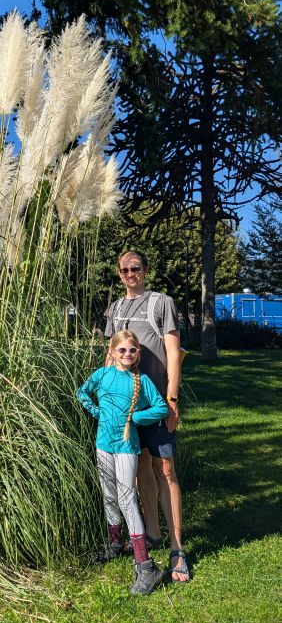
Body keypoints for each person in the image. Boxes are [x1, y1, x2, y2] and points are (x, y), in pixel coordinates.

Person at [104, 250, 190, 583]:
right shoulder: (115, 309)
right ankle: (152, 535)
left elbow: (173, 354)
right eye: (125, 270)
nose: (130, 274)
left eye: (136, 268)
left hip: (157, 404)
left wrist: (172, 398)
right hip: (127, 409)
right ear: (119, 273)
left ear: (146, 270)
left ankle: (177, 549)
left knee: (165, 468)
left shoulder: (161, 303)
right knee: (141, 468)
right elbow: (110, 356)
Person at [76, 330, 169, 595]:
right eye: (122, 350)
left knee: (127, 499)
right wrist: (95, 411)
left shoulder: (141, 380)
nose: (127, 354)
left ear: (138, 353)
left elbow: (161, 407)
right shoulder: (102, 375)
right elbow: (82, 392)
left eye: (132, 350)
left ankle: (146, 566)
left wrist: (137, 418)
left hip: (127, 446)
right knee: (109, 495)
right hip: (103, 444)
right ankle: (115, 544)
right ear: (112, 351)